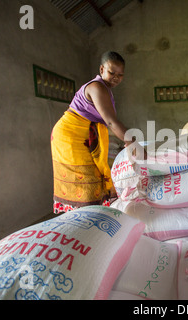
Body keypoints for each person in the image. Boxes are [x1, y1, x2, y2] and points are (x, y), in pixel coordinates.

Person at [50, 51, 132, 214]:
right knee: (85, 179)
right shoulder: (96, 87)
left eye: (120, 75)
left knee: (95, 178)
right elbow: (110, 121)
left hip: (82, 136)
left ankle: (91, 218)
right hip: (71, 136)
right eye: (112, 72)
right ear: (102, 69)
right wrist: (132, 142)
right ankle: (82, 219)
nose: (116, 77)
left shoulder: (106, 90)